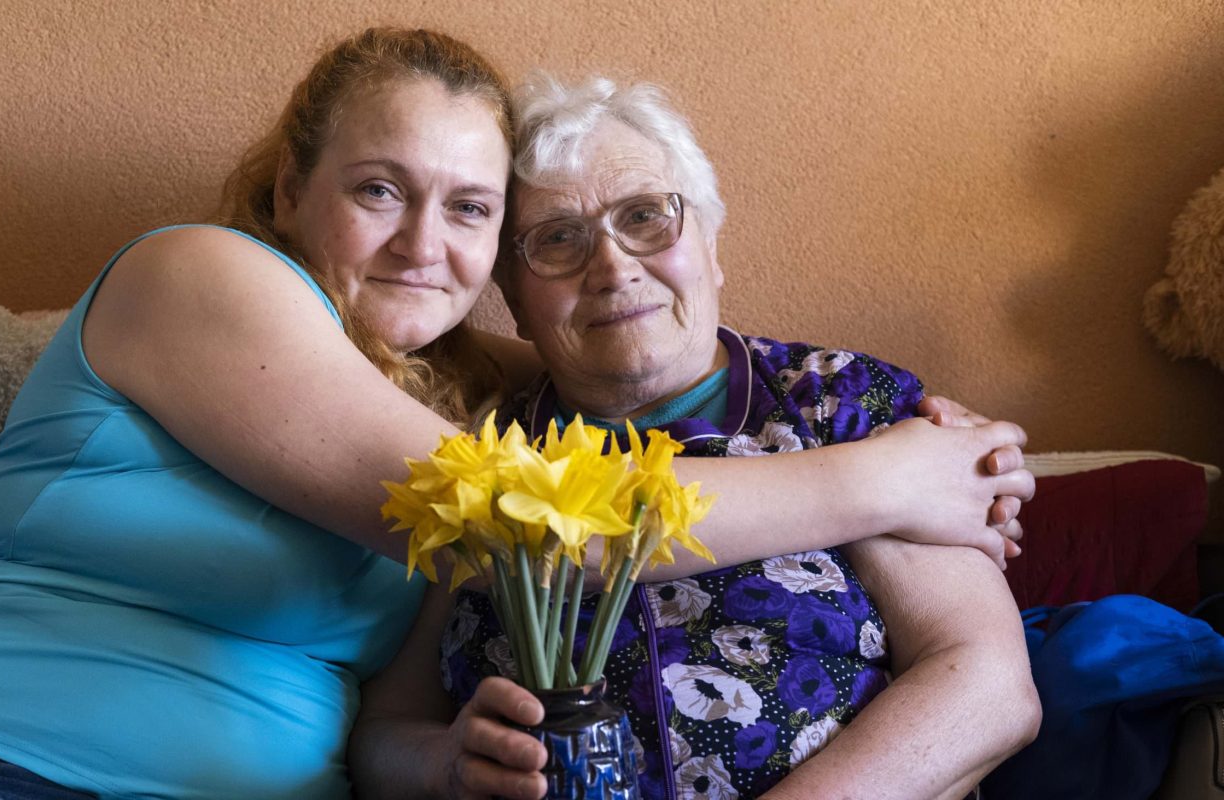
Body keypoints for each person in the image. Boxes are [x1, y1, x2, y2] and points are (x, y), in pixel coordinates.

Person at [0, 28, 1027, 800]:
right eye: (378, 190)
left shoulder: (473, 400)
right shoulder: (199, 278)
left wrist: (927, 438)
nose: (425, 243)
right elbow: (547, 523)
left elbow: (610, 331)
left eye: (470, 209)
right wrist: (902, 473)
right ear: (284, 191)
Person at [349, 74, 1041, 800]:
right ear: (516, 304)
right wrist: (446, 763)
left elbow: (987, 689)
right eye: (558, 240)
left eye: (646, 216)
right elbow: (386, 732)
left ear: (711, 247)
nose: (613, 266)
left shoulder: (836, 404)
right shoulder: (490, 452)